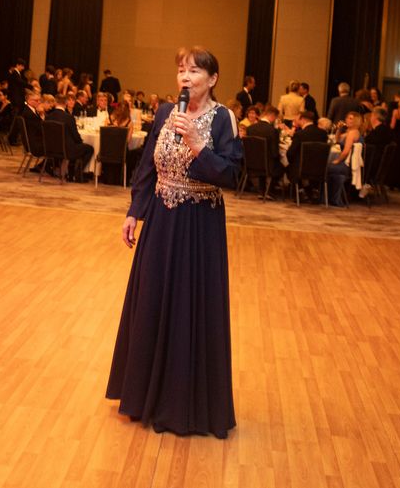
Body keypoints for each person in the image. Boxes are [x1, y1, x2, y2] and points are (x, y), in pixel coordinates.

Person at [107, 46, 241, 439]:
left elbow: (233, 175)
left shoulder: (224, 118)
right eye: (182, 69)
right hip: (162, 224)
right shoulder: (167, 112)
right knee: (151, 301)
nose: (185, 76)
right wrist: (135, 211)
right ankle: (143, 396)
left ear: (212, 79)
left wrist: (198, 145)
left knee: (188, 307)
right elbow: (147, 166)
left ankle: (184, 403)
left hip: (199, 228)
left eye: (195, 71)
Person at [245, 104, 284, 193]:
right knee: (281, 165)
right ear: (272, 116)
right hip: (267, 166)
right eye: (275, 118)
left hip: (251, 163)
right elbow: (274, 153)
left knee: (264, 159)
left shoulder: (250, 129)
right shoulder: (273, 131)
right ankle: (270, 190)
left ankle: (262, 190)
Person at [285, 110, 326, 197]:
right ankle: (309, 189)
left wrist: (292, 162)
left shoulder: (300, 134)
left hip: (301, 169)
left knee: (288, 166)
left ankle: (301, 190)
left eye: (298, 119)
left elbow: (290, 153)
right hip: (319, 168)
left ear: (303, 120)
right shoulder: (323, 133)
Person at [326, 112, 361, 207]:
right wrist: (339, 129)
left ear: (356, 121)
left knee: (325, 167)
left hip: (347, 165)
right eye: (348, 118)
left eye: (351, 118)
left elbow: (345, 151)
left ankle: (324, 196)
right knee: (326, 164)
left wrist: (337, 161)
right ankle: (327, 196)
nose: (348, 120)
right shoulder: (351, 132)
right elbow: (337, 140)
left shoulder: (352, 133)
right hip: (348, 163)